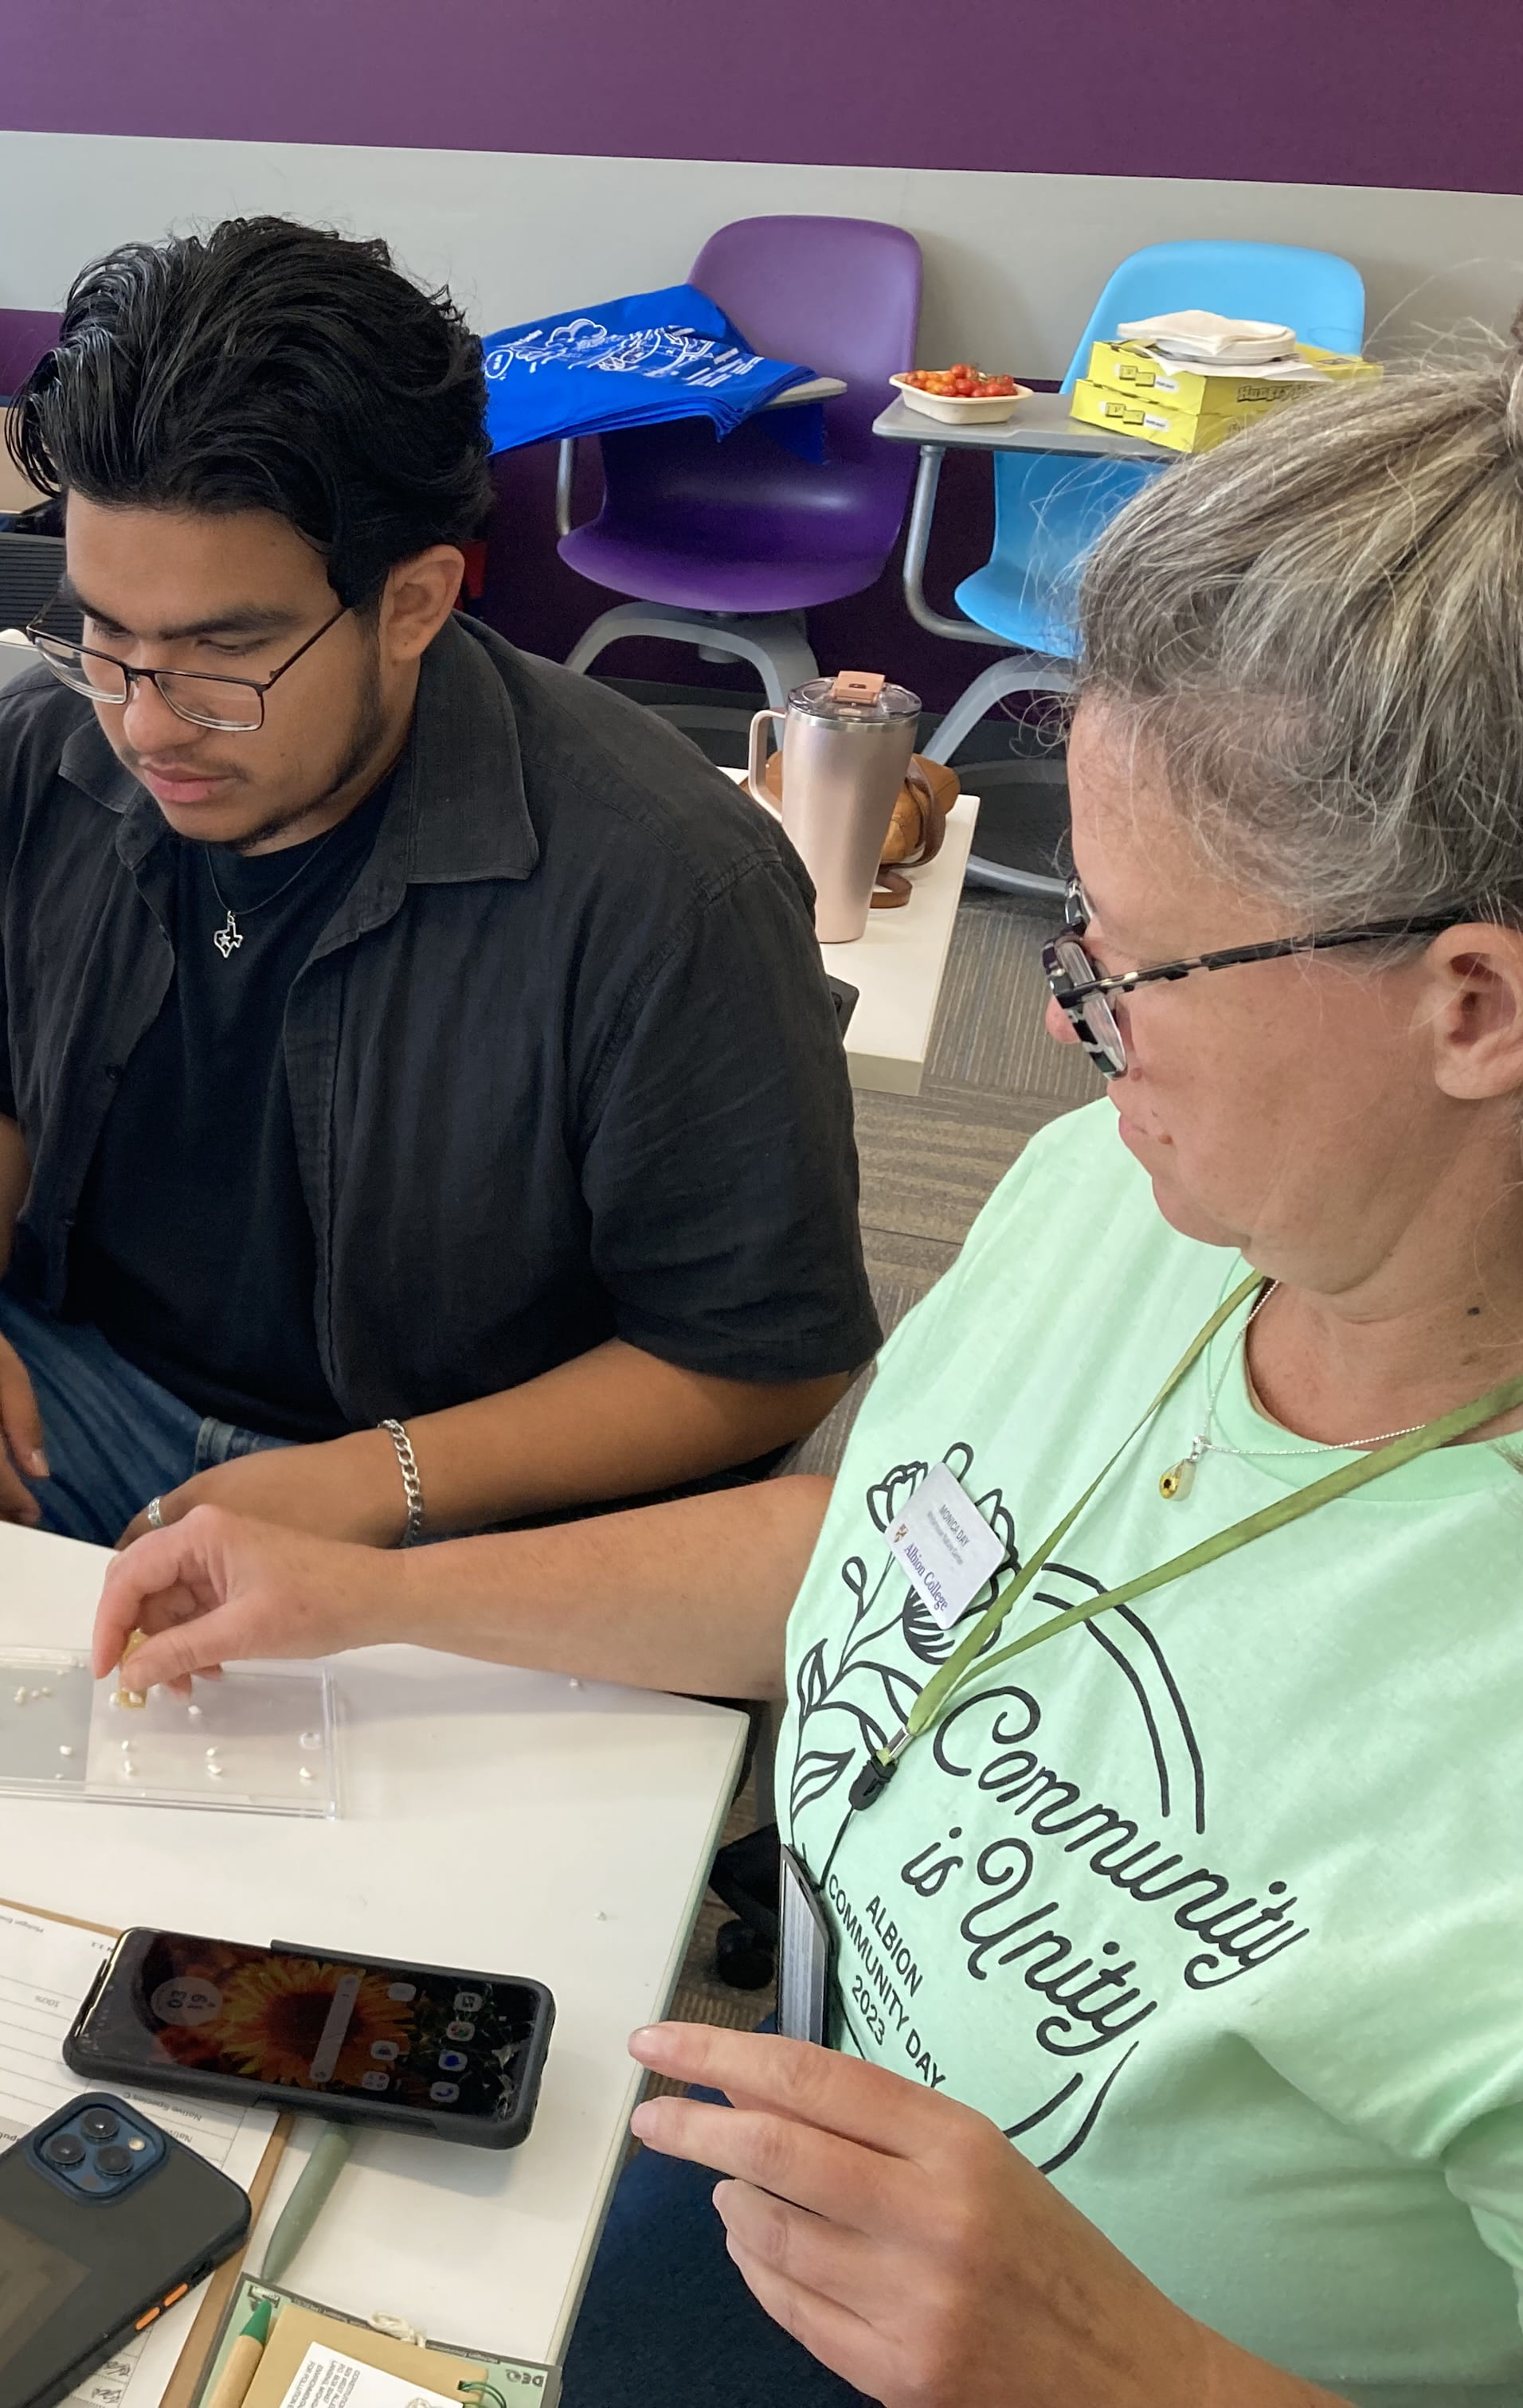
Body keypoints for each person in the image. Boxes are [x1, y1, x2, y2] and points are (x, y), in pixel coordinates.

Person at [89, 349, 1523, 2404]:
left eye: (1124, 964)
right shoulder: (1127, 1203)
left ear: (1471, 1005)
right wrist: (385, 1592)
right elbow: (895, 1551)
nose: (1073, 1030)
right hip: (816, 2206)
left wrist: (1127, 2373)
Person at [0, 219, 878, 1550]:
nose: (146, 726)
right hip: (88, 1392)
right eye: (103, 634)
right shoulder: (43, 747)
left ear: (414, 605)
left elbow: (765, 1355)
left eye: (222, 659)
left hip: (460, 1479)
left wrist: (375, 1481)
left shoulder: (666, 885)